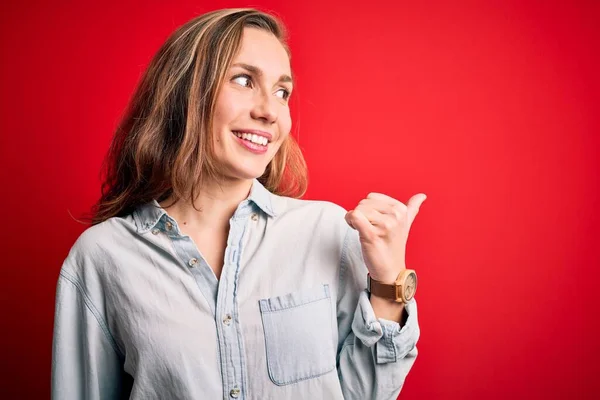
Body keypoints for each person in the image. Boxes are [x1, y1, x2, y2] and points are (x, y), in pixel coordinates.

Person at [51, 8, 426, 400]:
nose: (269, 111)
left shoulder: (329, 232)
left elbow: (364, 395)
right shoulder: (102, 257)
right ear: (185, 92)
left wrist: (389, 285)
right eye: (244, 80)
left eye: (282, 91)